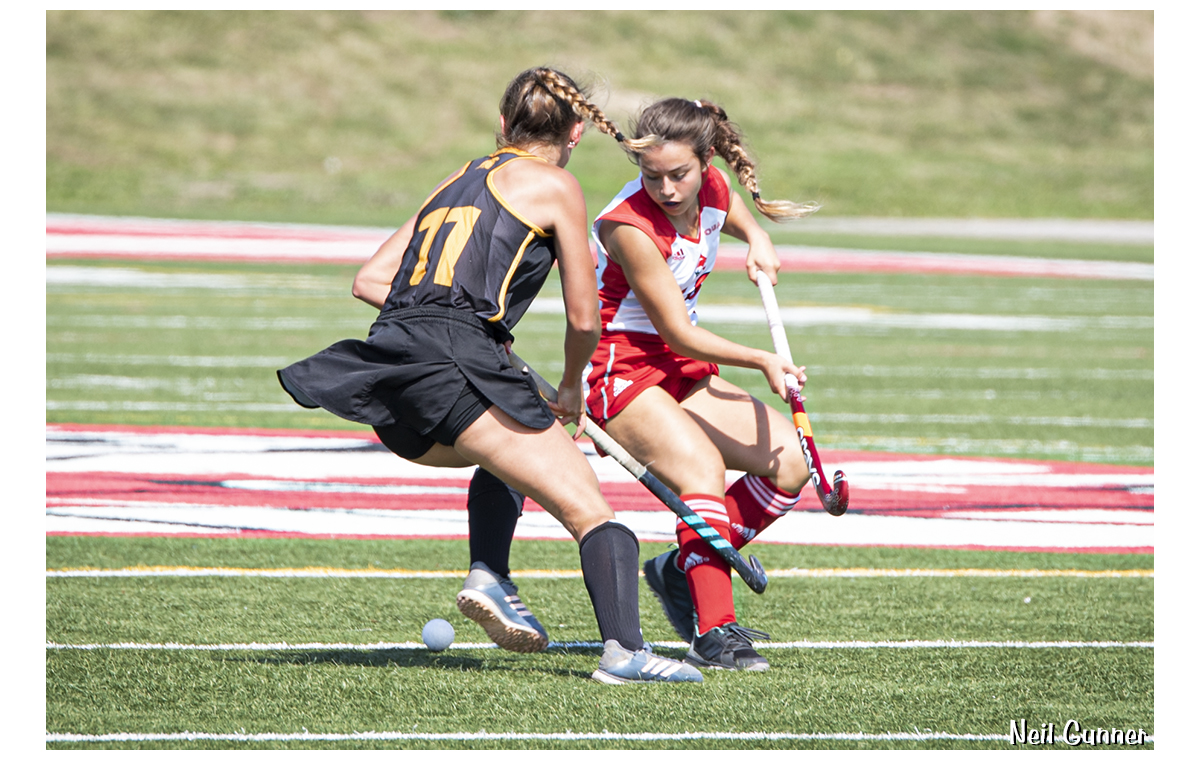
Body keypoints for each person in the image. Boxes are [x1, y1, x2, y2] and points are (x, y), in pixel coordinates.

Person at [277, 68, 702, 685]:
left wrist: (483, 344)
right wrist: (569, 387)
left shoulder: (458, 178)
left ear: (504, 124)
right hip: (457, 366)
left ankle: (491, 574)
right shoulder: (557, 185)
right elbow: (584, 318)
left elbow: (371, 281)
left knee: (509, 458)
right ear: (576, 131)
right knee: (593, 512)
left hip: (394, 370)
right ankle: (625, 653)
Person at [583, 97, 821, 672]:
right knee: (701, 472)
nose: (666, 189)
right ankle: (714, 633)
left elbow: (727, 204)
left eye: (679, 175)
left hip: (679, 368)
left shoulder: (708, 186)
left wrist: (757, 239)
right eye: (652, 176)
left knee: (791, 464)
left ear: (705, 160)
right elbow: (679, 332)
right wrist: (759, 359)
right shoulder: (628, 227)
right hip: (626, 368)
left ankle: (679, 566)